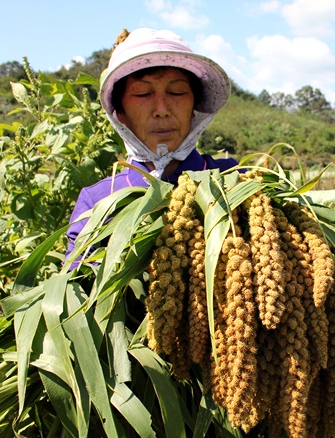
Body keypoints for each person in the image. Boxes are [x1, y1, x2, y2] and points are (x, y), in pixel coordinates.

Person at [65, 28, 238, 267]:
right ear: (120, 113)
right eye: (143, 94)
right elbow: (78, 291)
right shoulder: (98, 202)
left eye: (176, 91)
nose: (162, 109)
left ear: (195, 106)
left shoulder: (235, 181)